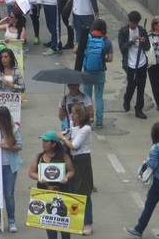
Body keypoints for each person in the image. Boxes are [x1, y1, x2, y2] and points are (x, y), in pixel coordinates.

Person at [124, 123, 159, 239]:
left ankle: (139, 229)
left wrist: (147, 161)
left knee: (149, 204)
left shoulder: (156, 148)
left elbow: (153, 164)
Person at [28, 130, 75, 239]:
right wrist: (39, 178)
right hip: (45, 194)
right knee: (50, 225)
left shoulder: (64, 156)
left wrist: (66, 178)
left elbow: (71, 171)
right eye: (43, 141)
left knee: (64, 225)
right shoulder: (39, 157)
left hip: (62, 193)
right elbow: (31, 172)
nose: (43, 143)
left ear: (53, 144)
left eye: (46, 141)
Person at [58, 104, 94, 235]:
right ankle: (76, 219)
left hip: (82, 161)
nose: (71, 115)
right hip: (73, 161)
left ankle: (87, 223)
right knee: (72, 190)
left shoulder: (86, 129)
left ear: (81, 115)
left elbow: (74, 145)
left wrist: (62, 138)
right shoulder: (74, 128)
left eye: (74, 113)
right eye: (71, 113)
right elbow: (67, 139)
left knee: (84, 192)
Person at [0, 106, 23, 232]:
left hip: (9, 166)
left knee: (8, 195)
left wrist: (7, 146)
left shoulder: (14, 129)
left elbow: (20, 146)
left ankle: (12, 221)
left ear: (2, 117)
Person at [79, 19, 112, 129]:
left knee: (87, 96)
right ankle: (99, 122)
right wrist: (101, 59)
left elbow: (76, 50)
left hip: (87, 71)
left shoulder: (87, 38)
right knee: (99, 97)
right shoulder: (106, 41)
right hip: (100, 72)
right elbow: (110, 58)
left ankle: (87, 120)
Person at [118, 11, 150, 119]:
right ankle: (127, 99)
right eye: (131, 22)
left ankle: (139, 109)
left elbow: (147, 47)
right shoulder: (123, 31)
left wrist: (143, 41)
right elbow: (122, 47)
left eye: (135, 23)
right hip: (130, 64)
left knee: (141, 87)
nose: (133, 25)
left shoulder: (142, 30)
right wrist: (132, 41)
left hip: (141, 62)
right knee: (131, 85)